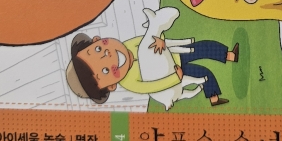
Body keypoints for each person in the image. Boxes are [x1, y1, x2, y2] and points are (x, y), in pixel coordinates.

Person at [65, 33, 239, 106]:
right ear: (111, 86)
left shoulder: (127, 45)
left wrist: (160, 40)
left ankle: (230, 55)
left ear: (97, 39)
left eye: (98, 49)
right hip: (175, 70)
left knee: (204, 47)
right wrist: (175, 78)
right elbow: (152, 86)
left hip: (175, 52)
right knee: (204, 73)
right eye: (105, 71)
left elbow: (146, 39)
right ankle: (214, 99)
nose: (107, 55)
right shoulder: (130, 82)